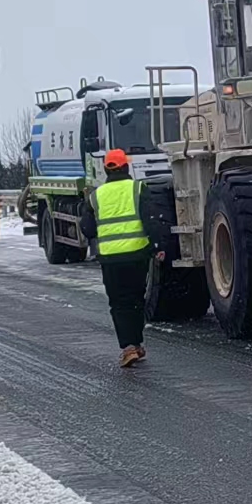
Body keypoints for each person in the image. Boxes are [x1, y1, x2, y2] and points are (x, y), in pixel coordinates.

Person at [78, 149, 168, 368]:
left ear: (106, 169)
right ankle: (136, 344)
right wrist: (158, 246)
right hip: (137, 255)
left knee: (119, 303)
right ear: (126, 167)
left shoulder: (96, 196)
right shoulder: (138, 188)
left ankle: (128, 347)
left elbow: (88, 230)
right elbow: (151, 219)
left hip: (111, 259)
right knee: (136, 299)